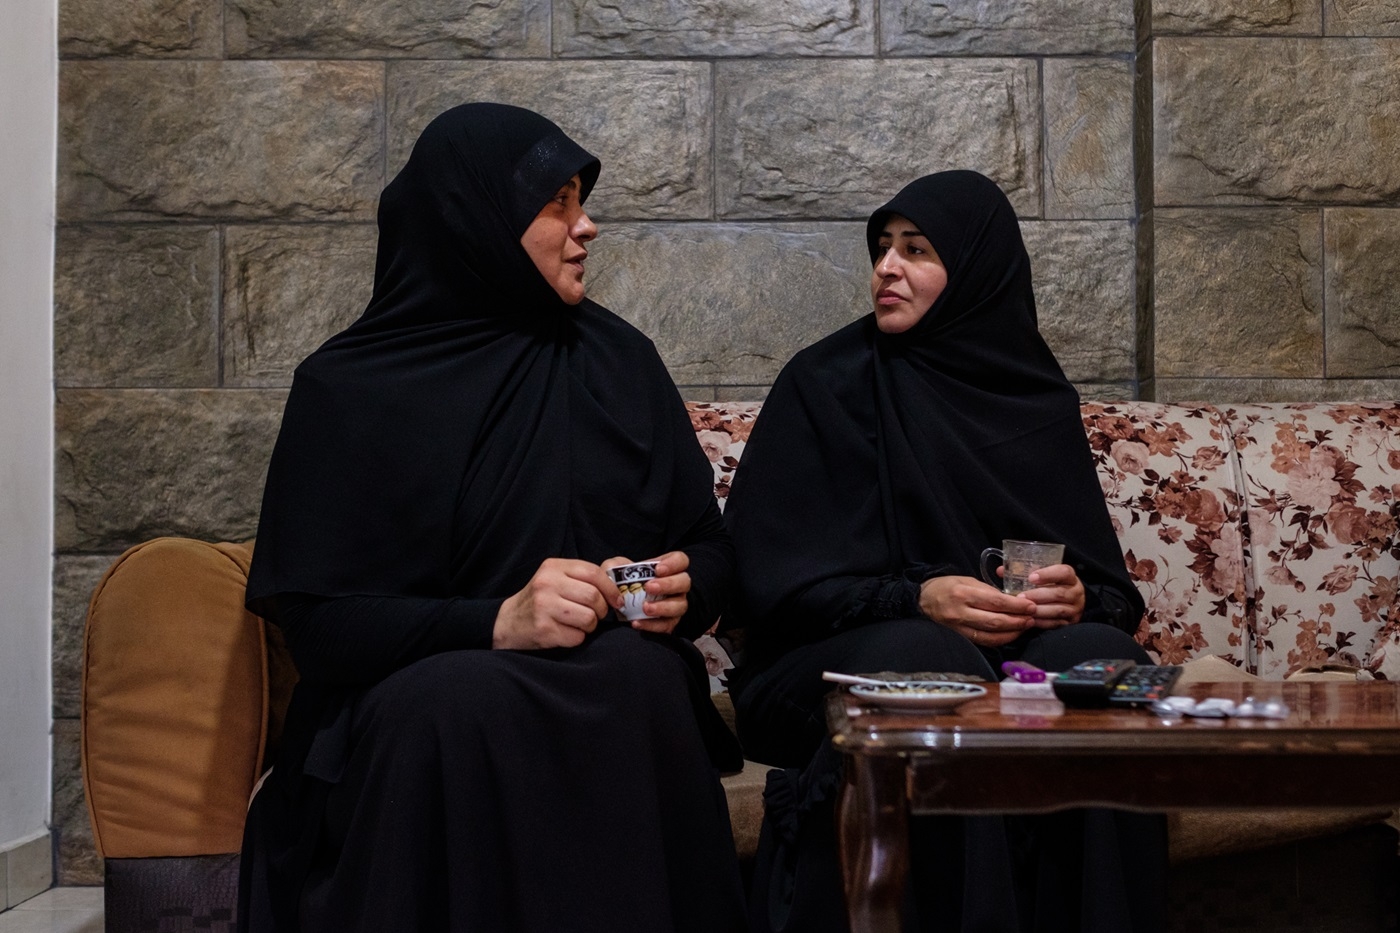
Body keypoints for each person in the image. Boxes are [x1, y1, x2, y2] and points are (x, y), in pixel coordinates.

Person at [237, 103, 747, 933]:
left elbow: (715, 549)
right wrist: (500, 620)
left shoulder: (619, 362)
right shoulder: (349, 389)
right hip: (422, 685)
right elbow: (322, 629)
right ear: (473, 219)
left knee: (644, 678)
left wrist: (680, 591)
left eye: (581, 199)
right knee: (453, 702)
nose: (587, 226)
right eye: (558, 202)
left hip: (610, 668)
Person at [724, 170, 1165, 932]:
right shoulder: (824, 384)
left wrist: (1079, 597)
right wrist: (916, 594)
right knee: (932, 663)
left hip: (1006, 663)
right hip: (823, 664)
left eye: (917, 250)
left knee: (1099, 657)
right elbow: (763, 589)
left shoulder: (1032, 397)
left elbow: (1112, 589)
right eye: (883, 248)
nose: (886, 268)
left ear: (977, 272)